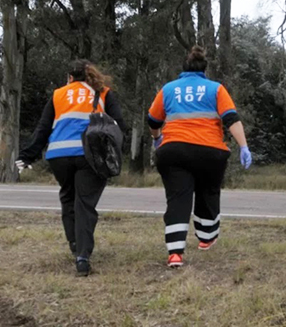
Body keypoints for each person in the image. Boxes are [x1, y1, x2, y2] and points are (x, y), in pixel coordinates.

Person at [16, 60, 126, 277]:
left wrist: (26, 156)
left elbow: (43, 128)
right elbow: (119, 125)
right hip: (90, 155)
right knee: (84, 203)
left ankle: (75, 242)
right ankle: (83, 257)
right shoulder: (103, 93)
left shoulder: (58, 95)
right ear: (92, 75)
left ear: (70, 77)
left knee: (68, 197)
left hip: (58, 155)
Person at [148, 46, 252, 268]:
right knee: (208, 192)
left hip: (173, 150)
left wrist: (157, 138)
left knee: (178, 198)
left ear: (183, 69)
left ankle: (175, 253)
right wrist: (243, 146)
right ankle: (206, 238)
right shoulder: (215, 89)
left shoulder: (168, 89)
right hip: (210, 151)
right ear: (205, 69)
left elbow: (153, 120)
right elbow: (231, 119)